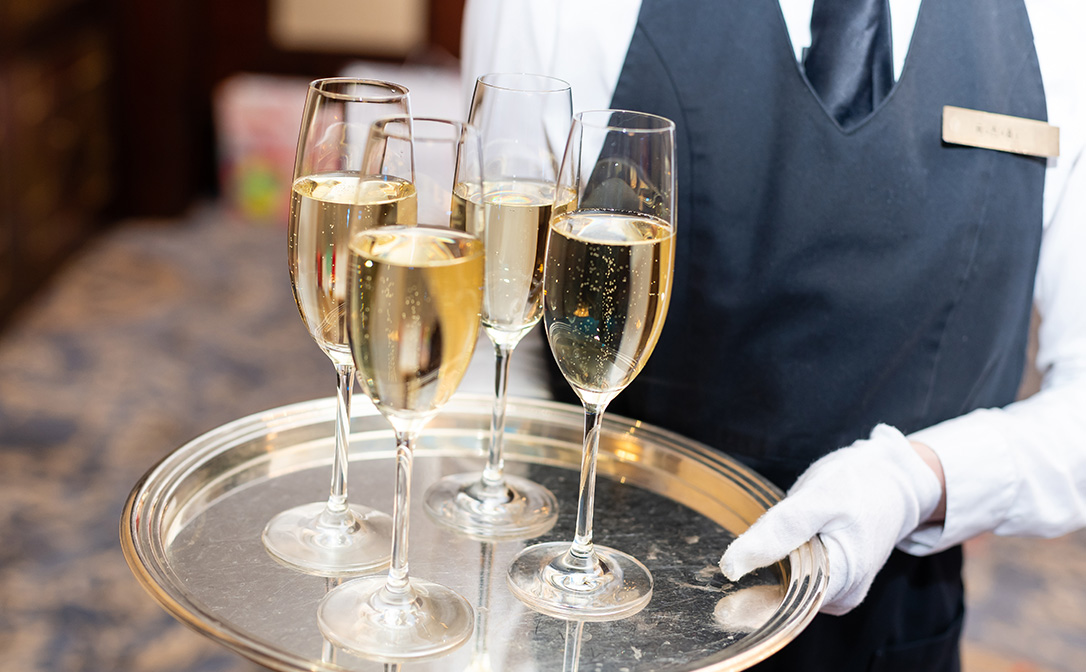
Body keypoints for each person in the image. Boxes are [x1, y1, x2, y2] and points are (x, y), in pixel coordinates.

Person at [461, 0, 1086, 670]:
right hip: (591, 608)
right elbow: (500, 312)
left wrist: (916, 482)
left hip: (893, 633)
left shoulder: (1064, 24)